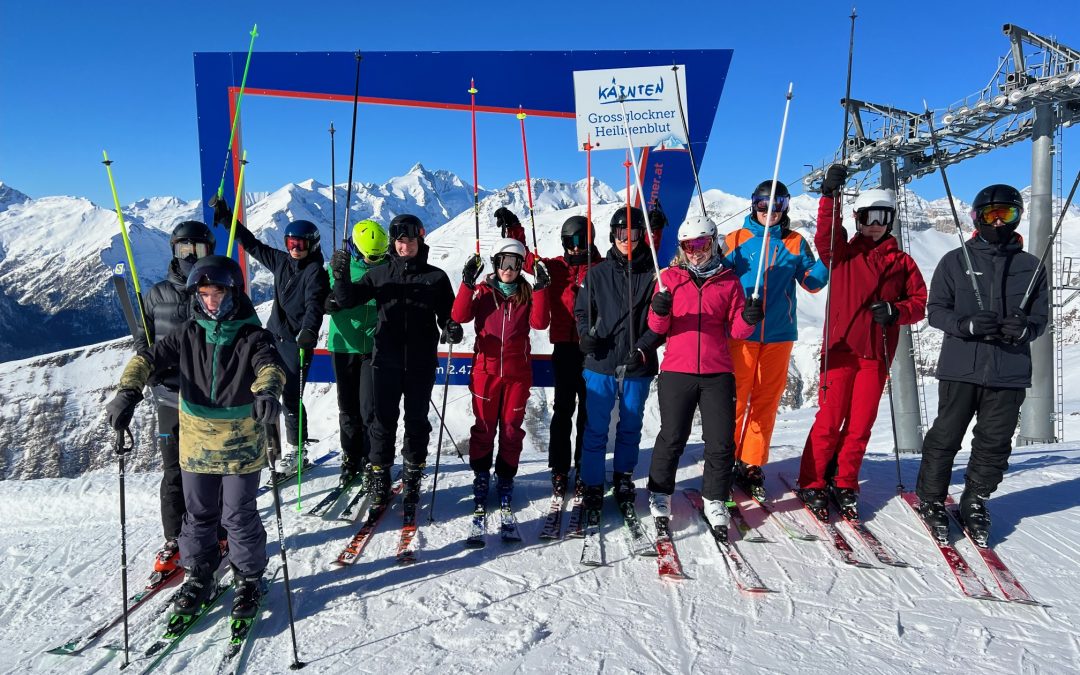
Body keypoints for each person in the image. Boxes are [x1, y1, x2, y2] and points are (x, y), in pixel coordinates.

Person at [105, 255, 286, 621]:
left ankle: (249, 578)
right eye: (203, 295)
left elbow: (270, 367)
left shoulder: (253, 336)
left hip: (240, 444)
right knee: (199, 514)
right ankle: (199, 572)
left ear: (233, 293)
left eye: (217, 293)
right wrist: (127, 392)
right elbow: (148, 359)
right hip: (196, 442)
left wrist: (268, 392)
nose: (211, 301)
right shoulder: (188, 333)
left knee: (238, 515)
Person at [914, 184, 1049, 545]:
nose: (999, 222)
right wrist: (966, 325)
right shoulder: (955, 261)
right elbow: (936, 310)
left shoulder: (1030, 266)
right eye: (992, 215)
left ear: (1018, 217)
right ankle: (930, 497)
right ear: (977, 218)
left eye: (1007, 214)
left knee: (995, 442)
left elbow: (1041, 317)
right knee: (945, 435)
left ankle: (976, 497)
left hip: (1009, 369)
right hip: (962, 365)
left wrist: (1025, 330)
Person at [797, 165, 927, 519]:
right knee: (829, 418)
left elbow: (918, 303)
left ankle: (845, 481)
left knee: (860, 424)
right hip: (840, 350)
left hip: (874, 354)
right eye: (869, 217)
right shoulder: (842, 254)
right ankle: (812, 482)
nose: (875, 224)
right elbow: (824, 235)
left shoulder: (902, 263)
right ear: (857, 219)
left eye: (882, 218)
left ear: (891, 221)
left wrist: (896, 311)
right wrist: (829, 196)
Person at [329, 214, 456, 518]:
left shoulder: (436, 278)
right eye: (400, 241)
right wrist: (342, 275)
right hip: (384, 360)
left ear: (420, 240)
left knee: (416, 420)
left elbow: (448, 315)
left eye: (410, 240)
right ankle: (380, 477)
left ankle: (412, 477)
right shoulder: (379, 274)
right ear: (393, 242)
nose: (405, 246)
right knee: (381, 421)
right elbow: (347, 301)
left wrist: (451, 327)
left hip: (421, 362)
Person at [646, 215, 757, 533]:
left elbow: (738, 330)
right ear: (681, 247)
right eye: (688, 245)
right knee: (672, 437)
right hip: (677, 370)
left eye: (702, 243)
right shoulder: (668, 278)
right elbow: (657, 328)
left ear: (713, 242)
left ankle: (715, 498)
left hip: (717, 371)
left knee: (721, 441)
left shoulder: (728, 281)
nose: (695, 251)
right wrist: (659, 309)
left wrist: (749, 318)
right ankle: (660, 493)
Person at [721, 181, 828, 500]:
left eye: (778, 204)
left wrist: (827, 261)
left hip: (779, 334)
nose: (770, 211)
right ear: (753, 204)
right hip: (741, 333)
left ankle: (751, 461)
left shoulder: (795, 242)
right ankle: (724, 460)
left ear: (786, 207)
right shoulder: (736, 240)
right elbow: (718, 278)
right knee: (735, 400)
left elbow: (811, 282)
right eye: (763, 204)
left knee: (766, 400)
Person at [211, 198, 330, 474]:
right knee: (261, 390)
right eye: (290, 243)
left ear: (312, 245)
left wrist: (309, 331)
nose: (294, 249)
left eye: (300, 244)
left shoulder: (315, 273)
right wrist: (228, 219)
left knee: (290, 397)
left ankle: (298, 451)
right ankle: (268, 447)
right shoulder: (281, 263)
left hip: (298, 342)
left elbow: (315, 304)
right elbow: (252, 244)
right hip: (272, 337)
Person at [132, 220, 218, 575]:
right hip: (168, 396)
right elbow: (143, 338)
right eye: (185, 249)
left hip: (209, 398)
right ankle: (174, 538)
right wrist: (147, 370)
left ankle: (218, 532)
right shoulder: (155, 295)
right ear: (174, 250)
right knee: (174, 473)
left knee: (211, 470)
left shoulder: (217, 291)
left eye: (198, 250)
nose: (191, 256)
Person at [573, 205, 665, 514]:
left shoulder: (653, 275)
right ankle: (593, 482)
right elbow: (583, 311)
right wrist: (585, 334)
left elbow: (660, 322)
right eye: (622, 233)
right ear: (613, 234)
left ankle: (624, 477)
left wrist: (644, 347)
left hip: (637, 361)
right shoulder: (597, 273)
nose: (627, 239)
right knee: (596, 426)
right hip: (601, 361)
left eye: (634, 233)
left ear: (642, 235)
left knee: (630, 424)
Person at [454, 238, 550, 508]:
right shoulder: (483, 292)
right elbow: (460, 316)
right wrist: (467, 283)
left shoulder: (527, 293)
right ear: (495, 263)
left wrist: (542, 288)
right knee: (484, 428)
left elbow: (541, 323)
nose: (508, 269)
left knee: (510, 429)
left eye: (515, 263)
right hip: (486, 372)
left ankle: (505, 476)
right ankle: (481, 475)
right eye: (503, 262)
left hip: (517, 374)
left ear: (521, 266)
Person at [324, 220, 390, 488]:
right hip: (343, 346)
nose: (374, 261)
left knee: (368, 409)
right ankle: (350, 457)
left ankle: (370, 459)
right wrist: (330, 296)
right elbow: (325, 297)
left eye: (379, 256)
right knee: (347, 408)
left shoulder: (385, 269)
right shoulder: (340, 267)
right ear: (355, 248)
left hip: (373, 348)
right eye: (370, 256)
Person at [542, 215, 602, 497]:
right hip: (564, 349)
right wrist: (515, 229)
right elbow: (527, 259)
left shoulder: (602, 267)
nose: (576, 248)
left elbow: (637, 261)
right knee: (562, 411)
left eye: (581, 242)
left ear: (591, 240)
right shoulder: (554, 267)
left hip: (594, 349)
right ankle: (559, 468)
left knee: (588, 414)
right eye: (570, 242)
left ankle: (583, 467)